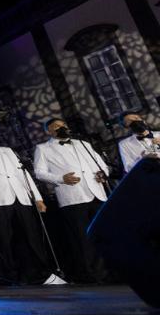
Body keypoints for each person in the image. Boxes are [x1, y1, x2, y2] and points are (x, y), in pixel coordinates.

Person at [0, 124, 52, 284]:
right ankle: (11, 275)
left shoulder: (7, 151)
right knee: (5, 240)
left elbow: (22, 173)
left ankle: (40, 273)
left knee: (31, 237)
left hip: (21, 197)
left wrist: (37, 197)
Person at [32, 118, 109, 283]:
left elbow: (100, 164)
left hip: (97, 193)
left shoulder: (82, 143)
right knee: (83, 239)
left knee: (104, 234)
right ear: (49, 132)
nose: (61, 128)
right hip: (73, 197)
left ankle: (111, 272)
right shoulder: (43, 148)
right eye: (56, 127)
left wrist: (103, 173)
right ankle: (93, 275)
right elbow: (39, 172)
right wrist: (60, 178)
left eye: (63, 125)